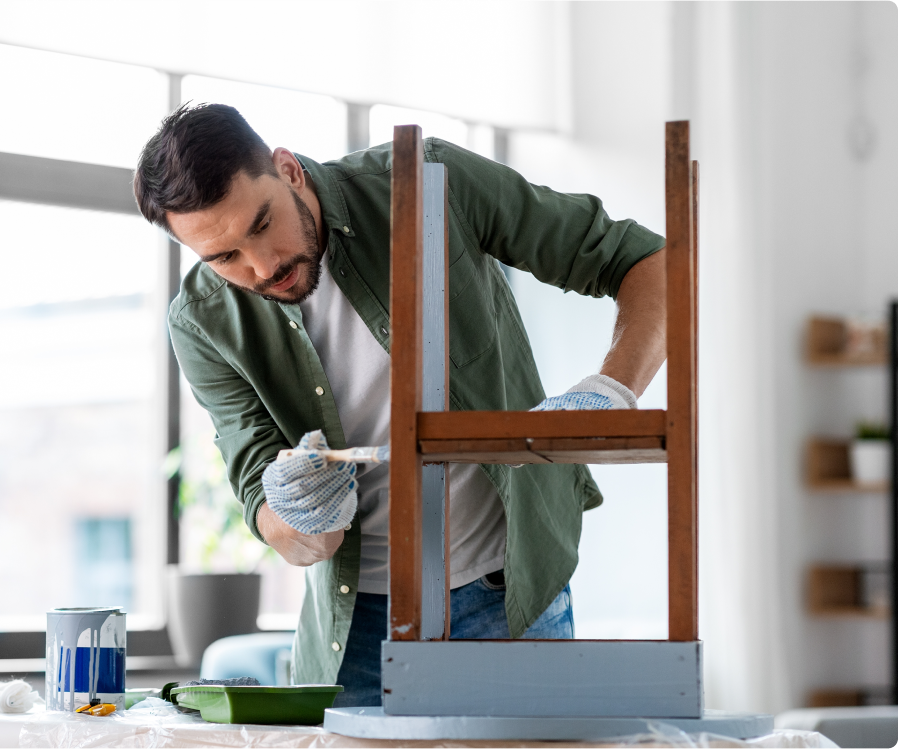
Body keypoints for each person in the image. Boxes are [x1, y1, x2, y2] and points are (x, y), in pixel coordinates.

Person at [133, 103, 666, 706]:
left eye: (261, 225)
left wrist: (612, 392)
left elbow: (649, 260)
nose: (260, 267)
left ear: (288, 170)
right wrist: (298, 515)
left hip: (508, 596)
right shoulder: (201, 321)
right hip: (353, 634)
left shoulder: (426, 183)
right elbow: (267, 505)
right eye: (223, 257)